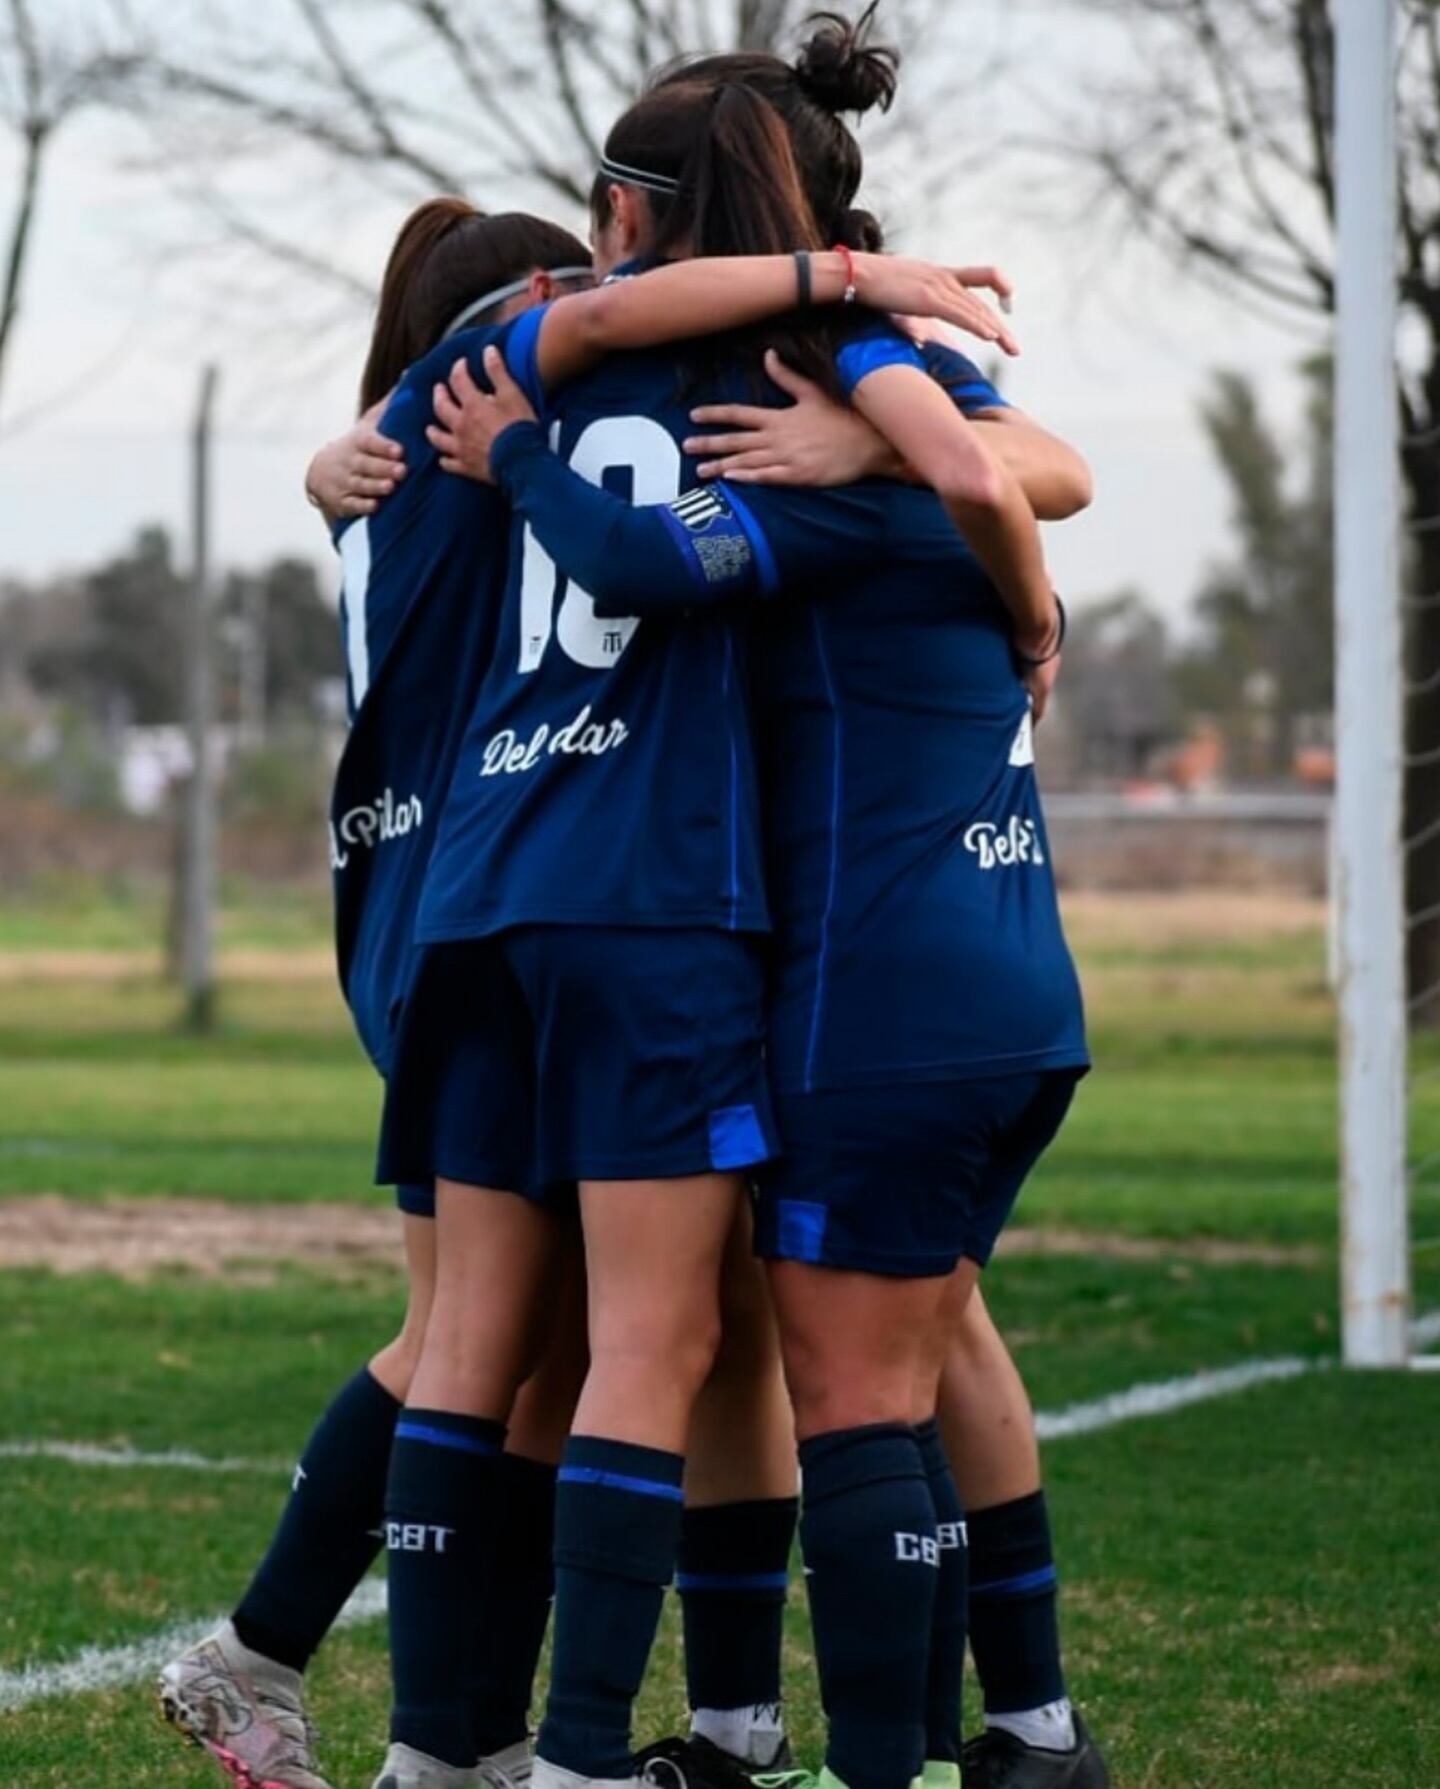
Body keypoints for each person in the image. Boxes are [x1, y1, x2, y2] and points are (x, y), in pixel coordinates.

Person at [158, 189, 1011, 1789]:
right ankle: (299, 1659)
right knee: (546, 1336)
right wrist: (847, 313)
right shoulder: (508, 421)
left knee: (523, 1343)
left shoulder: (396, 448)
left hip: (446, 905)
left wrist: (335, 455)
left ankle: (453, 1735)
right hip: (561, 887)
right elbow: (642, 402)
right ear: (524, 309)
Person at [374, 70, 1058, 1789]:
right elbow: (1016, 462)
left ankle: (460, 1744)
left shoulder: (534, 339)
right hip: (767, 924)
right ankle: (841, 1737)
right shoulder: (830, 371)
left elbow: (981, 462)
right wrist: (896, 405)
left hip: (482, 897)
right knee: (755, 1344)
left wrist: (464, 451)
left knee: (502, 1342)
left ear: (623, 213)